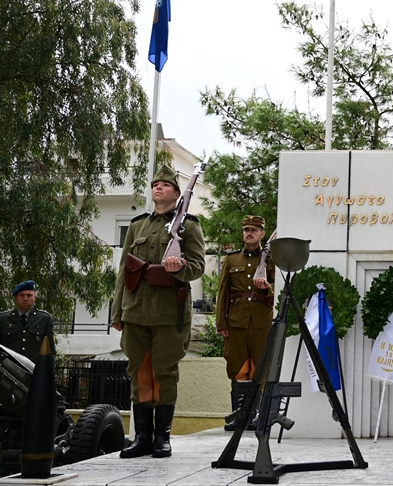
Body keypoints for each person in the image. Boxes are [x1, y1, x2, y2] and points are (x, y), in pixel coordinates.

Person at [111, 165, 204, 459]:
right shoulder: (137, 225)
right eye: (155, 184)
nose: (158, 187)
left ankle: (162, 437)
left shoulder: (189, 226)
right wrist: (117, 312)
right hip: (135, 310)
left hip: (169, 313)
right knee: (139, 371)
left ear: (177, 194)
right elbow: (124, 272)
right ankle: (142, 437)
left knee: (164, 372)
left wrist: (179, 268)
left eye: (165, 185)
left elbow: (198, 267)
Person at [215, 215, 275, 430]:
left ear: (262, 234)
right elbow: (223, 292)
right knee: (238, 368)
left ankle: (255, 416)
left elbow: (277, 289)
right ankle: (240, 416)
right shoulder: (232, 260)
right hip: (236, 321)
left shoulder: (271, 260)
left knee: (260, 368)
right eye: (246, 230)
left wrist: (266, 287)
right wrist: (221, 323)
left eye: (253, 230)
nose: (249, 233)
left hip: (261, 321)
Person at [0, 280, 55, 362]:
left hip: (34, 368)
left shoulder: (45, 319)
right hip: (8, 368)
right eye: (21, 295)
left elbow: (50, 351)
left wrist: (47, 369)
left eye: (29, 295)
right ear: (15, 298)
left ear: (35, 297)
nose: (25, 299)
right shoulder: (2, 319)